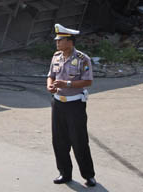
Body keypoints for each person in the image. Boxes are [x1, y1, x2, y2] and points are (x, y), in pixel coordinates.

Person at [46, 23, 97, 187]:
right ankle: (64, 173)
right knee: (59, 140)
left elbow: (88, 81)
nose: (57, 43)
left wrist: (66, 83)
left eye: (60, 40)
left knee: (79, 140)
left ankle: (88, 175)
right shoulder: (56, 57)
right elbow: (51, 76)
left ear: (69, 42)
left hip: (75, 105)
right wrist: (50, 85)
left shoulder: (82, 59)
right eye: (57, 40)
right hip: (58, 104)